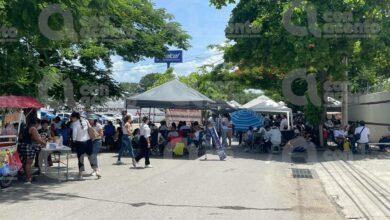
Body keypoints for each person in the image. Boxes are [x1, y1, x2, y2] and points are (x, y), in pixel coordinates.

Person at [70, 112, 99, 180]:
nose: (71, 119)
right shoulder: (85, 121)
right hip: (88, 141)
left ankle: (80, 175)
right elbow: (90, 128)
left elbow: (74, 133)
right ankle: (97, 172)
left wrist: (73, 140)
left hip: (79, 142)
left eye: (72, 118)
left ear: (75, 117)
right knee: (91, 157)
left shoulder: (74, 124)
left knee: (80, 158)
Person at [18, 117, 46, 183]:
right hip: (29, 147)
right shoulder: (33, 128)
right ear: (36, 123)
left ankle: (27, 175)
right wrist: (44, 143)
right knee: (28, 163)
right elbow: (37, 139)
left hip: (22, 146)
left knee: (25, 162)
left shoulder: (24, 127)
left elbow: (20, 137)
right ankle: (28, 178)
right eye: (38, 124)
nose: (38, 126)